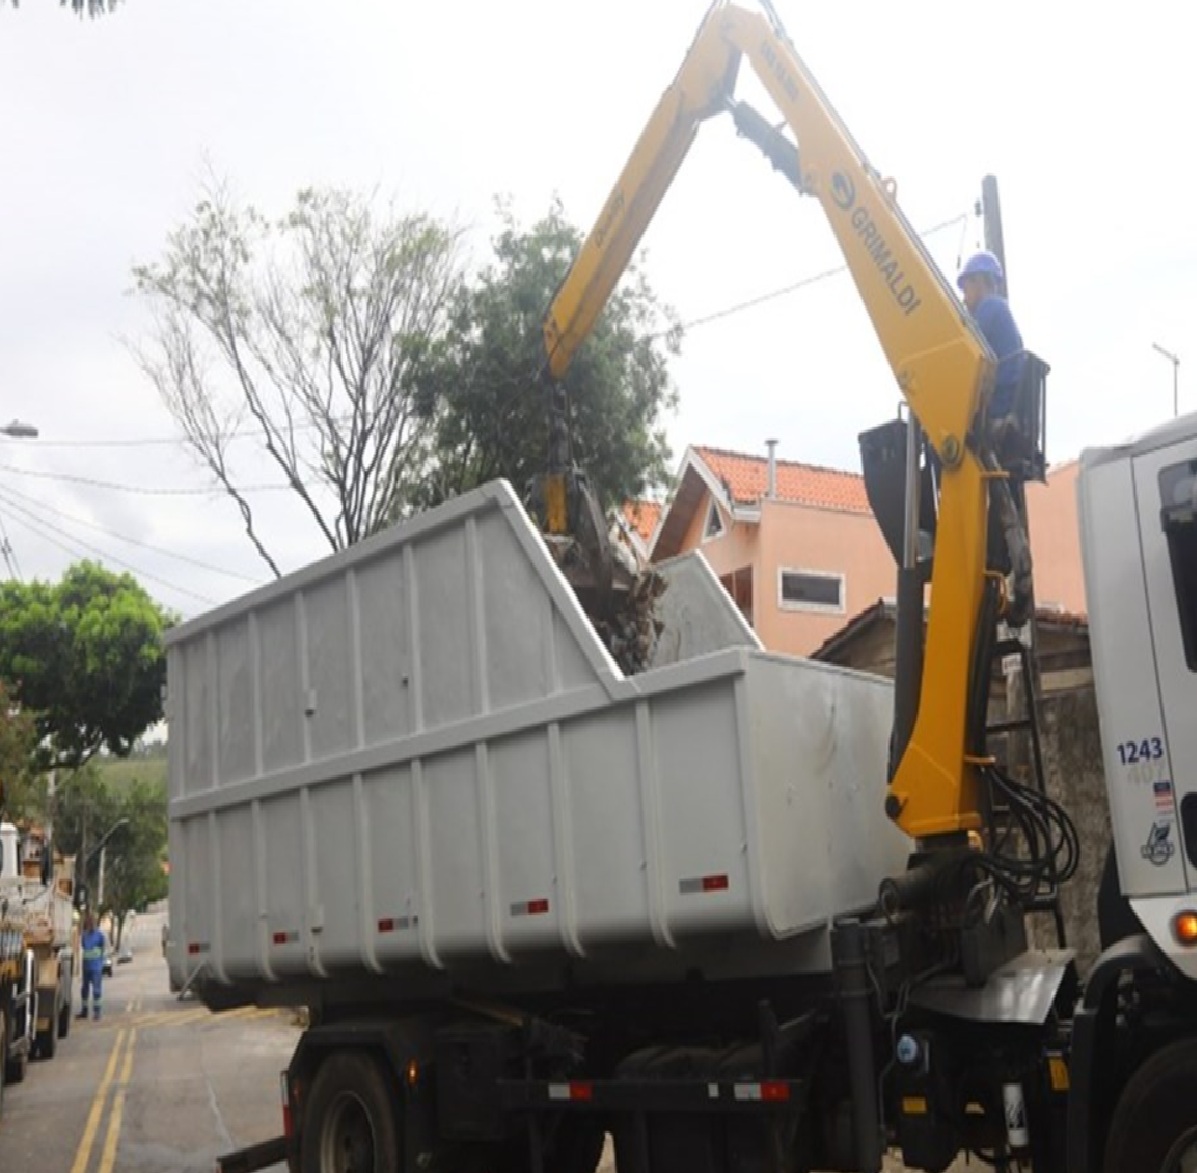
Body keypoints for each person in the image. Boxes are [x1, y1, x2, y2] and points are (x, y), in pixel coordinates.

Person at [956, 250, 1025, 435]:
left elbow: (965, 352)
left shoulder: (990, 307)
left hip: (997, 406)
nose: (964, 298)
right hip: (1006, 403)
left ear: (980, 281)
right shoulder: (1000, 310)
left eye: (966, 288)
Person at [78, 913, 105, 1021]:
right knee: (84, 990)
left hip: (96, 967)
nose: (90, 924)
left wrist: (100, 962)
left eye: (91, 923)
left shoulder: (99, 936)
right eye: (88, 923)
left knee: (96, 991)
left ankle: (97, 1012)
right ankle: (84, 1010)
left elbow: (102, 949)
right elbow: (84, 947)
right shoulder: (84, 935)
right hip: (86, 967)